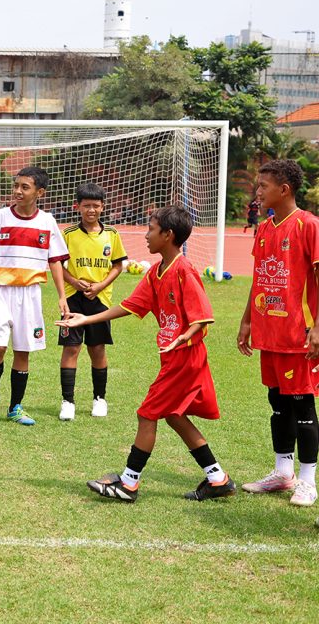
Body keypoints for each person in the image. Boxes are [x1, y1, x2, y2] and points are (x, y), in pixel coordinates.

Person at [60, 206, 236, 502]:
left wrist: (183, 337)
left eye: (151, 229)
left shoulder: (184, 270)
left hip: (185, 359)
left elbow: (203, 316)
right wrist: (85, 319)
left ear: (168, 235)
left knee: (147, 414)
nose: (145, 235)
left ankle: (128, 483)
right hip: (174, 357)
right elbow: (130, 305)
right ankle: (218, 479)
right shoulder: (156, 272)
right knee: (174, 417)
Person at [0, 166, 69, 426]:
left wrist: (62, 296)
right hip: (0, 290)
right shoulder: (0, 217)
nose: (17, 191)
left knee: (23, 351)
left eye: (25, 187)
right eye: (16, 185)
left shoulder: (47, 222)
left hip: (30, 294)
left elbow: (55, 262)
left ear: (40, 192)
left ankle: (15, 407)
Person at [237, 160, 319, 507]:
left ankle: (307, 480)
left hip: (298, 334)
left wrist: (318, 327)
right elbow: (259, 279)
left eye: (263, 186)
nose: (258, 192)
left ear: (284, 190)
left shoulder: (309, 226)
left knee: (302, 404)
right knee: (277, 403)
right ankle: (282, 473)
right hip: (268, 332)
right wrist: (246, 321)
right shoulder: (265, 228)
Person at [58, 182, 127, 420]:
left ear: (102, 207)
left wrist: (100, 286)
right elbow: (57, 266)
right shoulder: (68, 234)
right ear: (77, 207)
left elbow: (118, 265)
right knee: (71, 348)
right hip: (72, 299)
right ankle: (67, 401)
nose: (91, 210)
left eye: (96, 206)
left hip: (100, 300)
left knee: (97, 349)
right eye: (86, 206)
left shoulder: (112, 234)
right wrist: (75, 282)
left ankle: (100, 398)